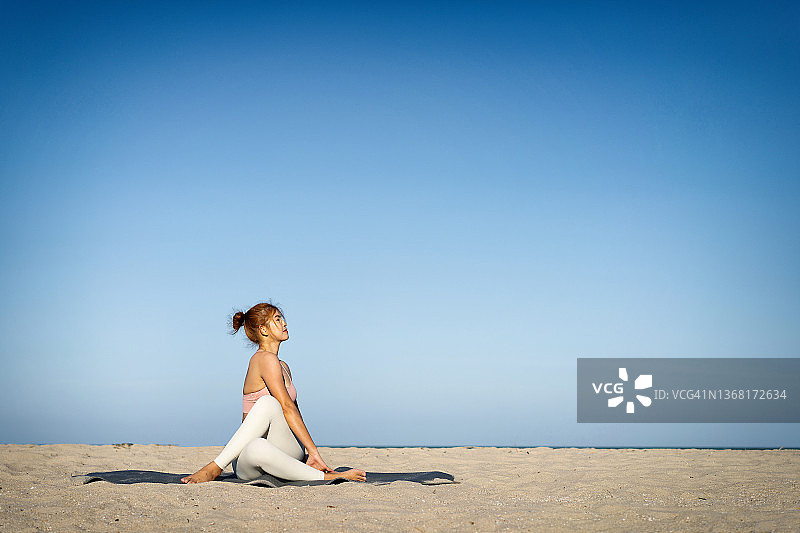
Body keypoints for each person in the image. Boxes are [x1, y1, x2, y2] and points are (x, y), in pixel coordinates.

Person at [182, 303, 366, 483]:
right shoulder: (263, 359)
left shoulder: (283, 366)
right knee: (262, 429)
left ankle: (318, 474)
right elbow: (286, 406)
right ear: (263, 330)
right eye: (277, 319)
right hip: (254, 456)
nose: (284, 323)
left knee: (270, 406)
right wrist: (313, 451)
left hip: (286, 450)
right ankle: (215, 467)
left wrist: (309, 454)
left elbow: (294, 411)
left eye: (282, 318)